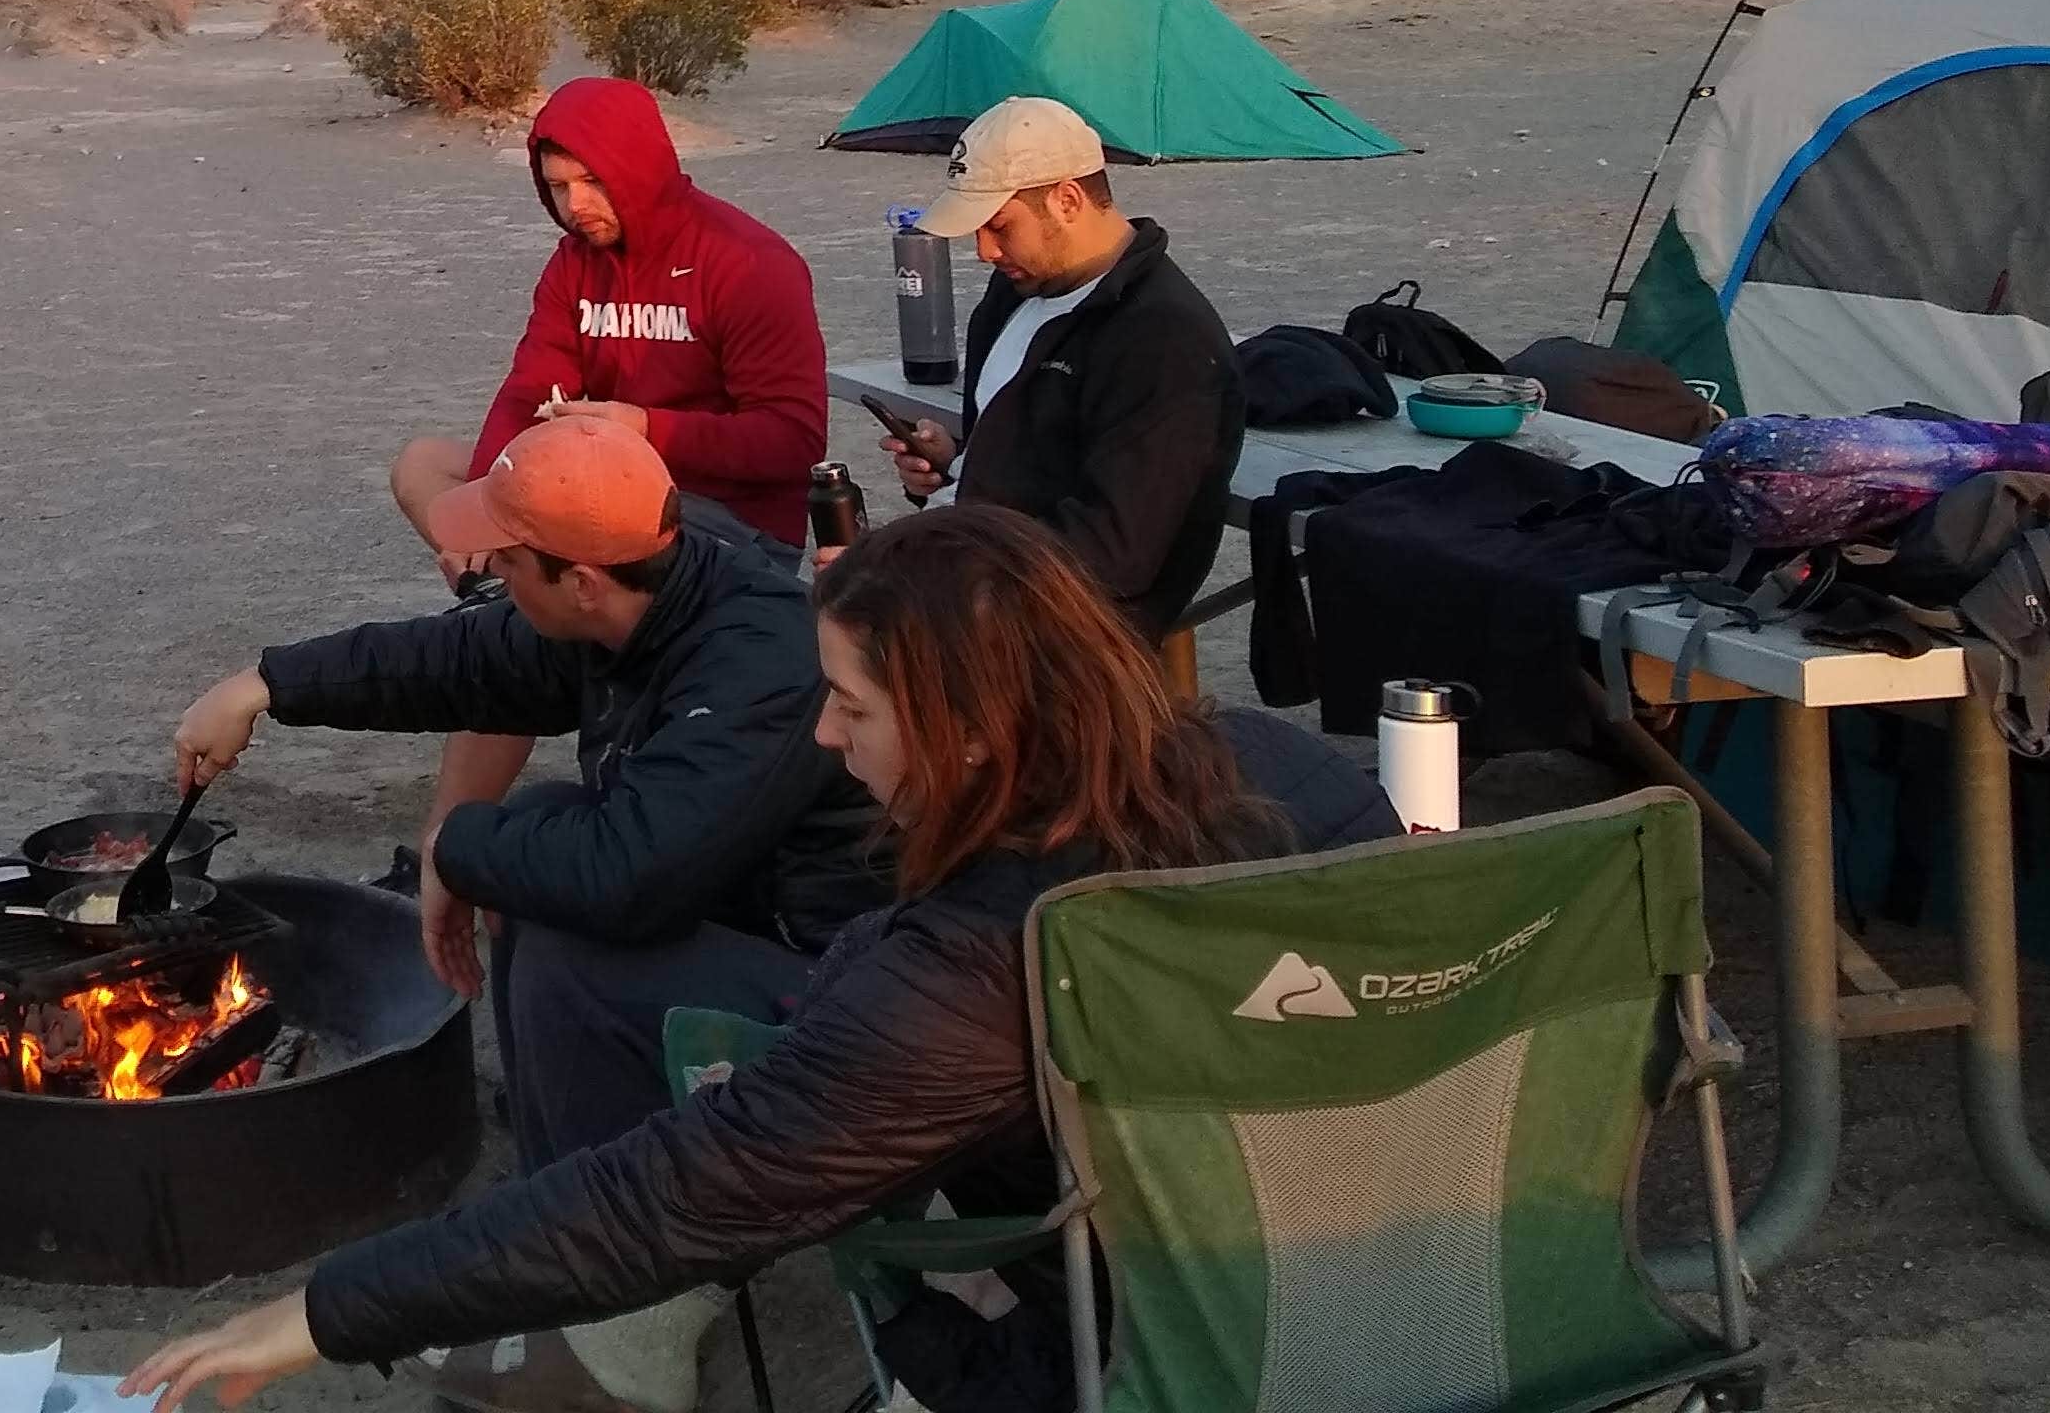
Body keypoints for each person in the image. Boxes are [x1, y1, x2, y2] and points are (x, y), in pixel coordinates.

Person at [130, 508, 1396, 1413]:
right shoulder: (1289, 769)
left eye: (852, 707)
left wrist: (316, 1313)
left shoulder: (976, 971)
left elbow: (670, 1196)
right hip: (1435, 1259)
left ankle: (619, 1363)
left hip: (1186, 1335)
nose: (830, 741)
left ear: (962, 733)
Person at [174, 406, 883, 1172]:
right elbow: (452, 659)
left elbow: (630, 879)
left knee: (568, 949)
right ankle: (572, 1147)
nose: (489, 579)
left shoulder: (756, 661)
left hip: (846, 986)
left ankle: (605, 1232)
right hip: (741, 911)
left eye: (505, 563)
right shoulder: (633, 595)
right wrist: (265, 685)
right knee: (539, 825)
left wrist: (454, 846)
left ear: (578, 582)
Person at [392, 80, 829, 567]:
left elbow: (793, 441)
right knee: (424, 465)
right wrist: (487, 511)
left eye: (593, 181)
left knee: (565, 538)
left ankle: (520, 594)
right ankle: (508, 585)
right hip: (601, 480)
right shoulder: (576, 261)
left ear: (638, 169)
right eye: (558, 187)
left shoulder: (749, 264)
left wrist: (644, 429)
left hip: (721, 519)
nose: (575, 205)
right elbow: (529, 392)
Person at [868, 95, 1243, 636]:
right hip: (980, 578)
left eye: (998, 225)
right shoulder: (1020, 288)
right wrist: (956, 462)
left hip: (1060, 634)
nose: (984, 251)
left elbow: (1115, 554)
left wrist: (937, 580)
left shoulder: (1165, 339)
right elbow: (1033, 456)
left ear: (1068, 200)